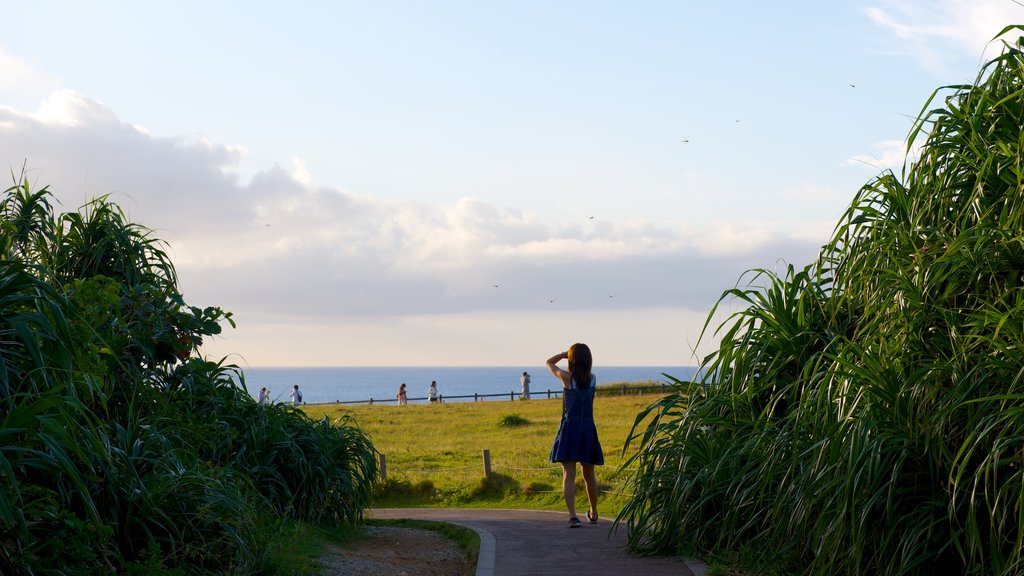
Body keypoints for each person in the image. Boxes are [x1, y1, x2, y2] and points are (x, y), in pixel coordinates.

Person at [546, 343, 603, 528]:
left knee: (568, 474)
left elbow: (549, 362)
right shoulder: (593, 379)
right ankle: (593, 512)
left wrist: (563, 354)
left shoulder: (567, 378)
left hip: (570, 428)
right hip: (587, 427)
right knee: (589, 474)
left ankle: (573, 516)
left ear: (572, 359)